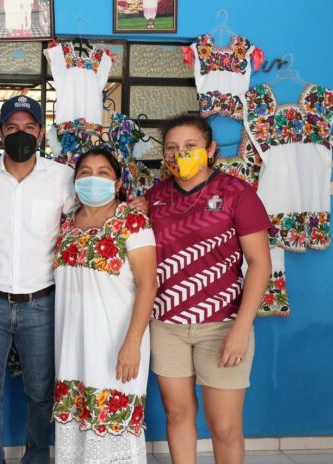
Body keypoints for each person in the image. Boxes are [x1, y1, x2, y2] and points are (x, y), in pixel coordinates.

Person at [144, 114, 271, 463]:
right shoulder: (154, 197)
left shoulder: (236, 193)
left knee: (225, 427)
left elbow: (260, 264)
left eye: (190, 146)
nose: (179, 154)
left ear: (211, 149)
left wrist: (241, 329)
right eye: (172, 148)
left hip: (223, 325)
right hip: (166, 325)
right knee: (177, 416)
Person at [0, 95, 77, 464]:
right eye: (12, 127)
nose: (20, 134)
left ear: (41, 133)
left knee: (40, 392)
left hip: (41, 302)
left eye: (29, 127)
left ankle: (36, 458)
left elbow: (89, 218)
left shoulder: (62, 178)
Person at [53, 147, 157, 463]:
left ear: (117, 183)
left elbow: (148, 285)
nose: (93, 179)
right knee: (77, 420)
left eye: (103, 173)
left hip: (116, 341)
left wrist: (132, 344)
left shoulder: (133, 221)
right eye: (85, 173)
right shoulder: (66, 223)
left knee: (111, 423)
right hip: (72, 345)